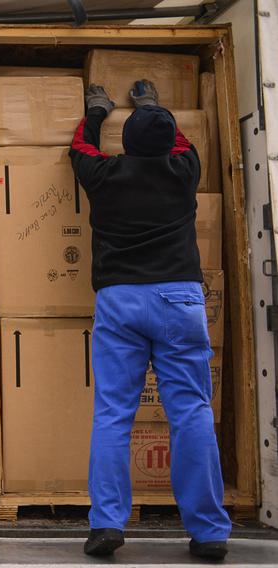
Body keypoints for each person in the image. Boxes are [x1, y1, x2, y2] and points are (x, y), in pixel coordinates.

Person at [69, 79, 232, 560]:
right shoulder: (184, 169)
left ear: (128, 143)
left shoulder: (104, 174)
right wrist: (152, 105)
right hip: (179, 300)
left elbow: (79, 147)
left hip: (120, 302)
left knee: (114, 413)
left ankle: (106, 526)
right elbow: (180, 140)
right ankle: (208, 533)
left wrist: (98, 111)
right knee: (192, 411)